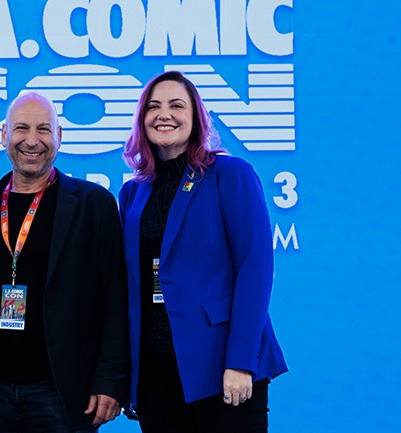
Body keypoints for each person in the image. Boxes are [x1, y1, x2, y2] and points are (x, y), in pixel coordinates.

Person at [118, 70, 289, 433]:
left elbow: (255, 269)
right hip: (157, 372)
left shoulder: (229, 173)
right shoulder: (133, 193)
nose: (164, 114)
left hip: (222, 366)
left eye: (176, 105)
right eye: (153, 106)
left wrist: (241, 361)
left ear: (196, 117)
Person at [0, 92, 129, 433]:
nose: (32, 141)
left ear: (60, 136)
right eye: (21, 128)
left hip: (62, 392)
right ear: (4, 134)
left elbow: (116, 300)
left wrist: (110, 379)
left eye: (44, 129)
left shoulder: (94, 205)